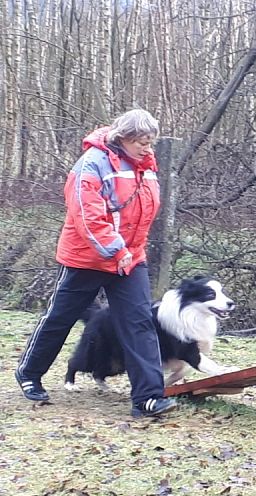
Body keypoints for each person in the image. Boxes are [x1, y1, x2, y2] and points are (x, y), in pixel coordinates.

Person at [15, 108, 176, 418]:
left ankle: (147, 398)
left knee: (139, 322)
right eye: (141, 141)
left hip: (130, 259)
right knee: (60, 318)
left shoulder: (147, 166)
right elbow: (88, 216)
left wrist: (130, 252)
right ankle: (29, 373)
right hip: (86, 258)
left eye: (151, 141)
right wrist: (116, 250)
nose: (147, 148)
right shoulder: (91, 164)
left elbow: (143, 212)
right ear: (123, 138)